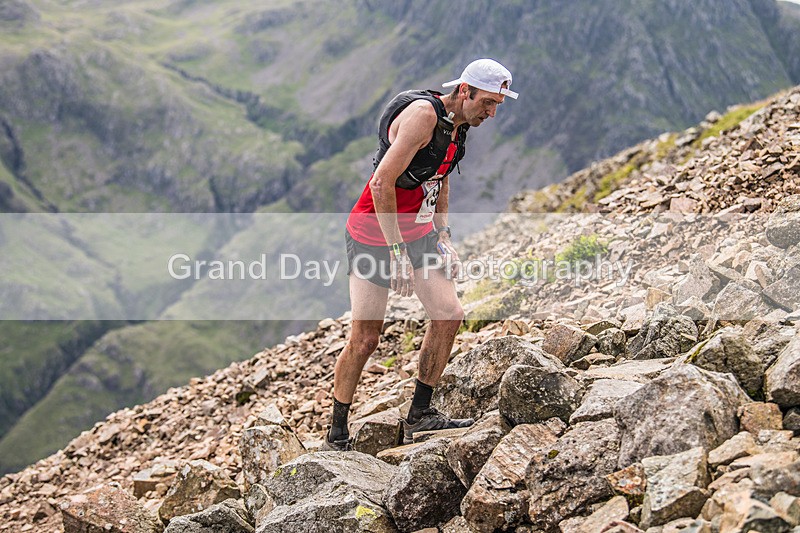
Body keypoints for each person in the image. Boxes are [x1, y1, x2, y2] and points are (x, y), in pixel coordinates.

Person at [321, 59, 518, 451]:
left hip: (420, 232)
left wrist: (443, 235)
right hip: (373, 232)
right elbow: (381, 183)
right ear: (465, 91)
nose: (492, 113)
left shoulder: (458, 125)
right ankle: (336, 434)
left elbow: (439, 178)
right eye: (489, 103)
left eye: (497, 105)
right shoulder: (422, 116)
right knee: (365, 339)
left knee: (449, 315)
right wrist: (396, 254)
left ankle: (420, 416)